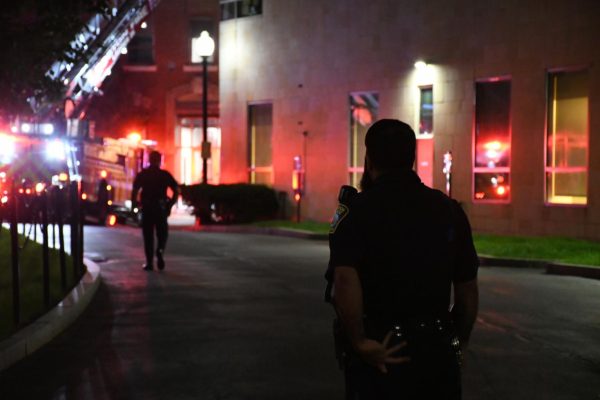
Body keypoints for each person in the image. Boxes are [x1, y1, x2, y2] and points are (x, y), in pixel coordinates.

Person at [328, 119, 479, 399]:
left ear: (369, 159)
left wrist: (360, 342)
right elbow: (467, 290)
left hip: (380, 349)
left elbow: (344, 280)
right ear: (412, 157)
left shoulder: (356, 212)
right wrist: (457, 342)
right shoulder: (449, 211)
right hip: (436, 347)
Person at [131, 150, 179, 271]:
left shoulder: (143, 174)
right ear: (160, 161)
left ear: (149, 160)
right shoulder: (165, 175)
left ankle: (149, 263)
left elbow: (135, 191)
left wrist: (134, 207)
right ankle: (160, 250)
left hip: (147, 208)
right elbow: (176, 191)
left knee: (148, 236)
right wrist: (170, 205)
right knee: (162, 233)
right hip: (160, 208)